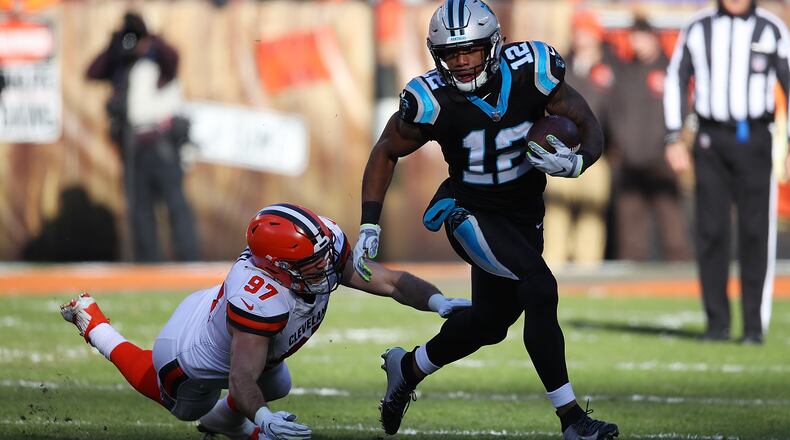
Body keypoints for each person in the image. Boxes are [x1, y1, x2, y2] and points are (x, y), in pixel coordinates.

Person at [353, 1, 618, 439]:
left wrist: (577, 163)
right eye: (451, 53)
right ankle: (573, 420)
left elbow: (587, 123)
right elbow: (386, 150)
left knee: (491, 324)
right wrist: (369, 222)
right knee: (539, 284)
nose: (460, 61)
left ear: (493, 44)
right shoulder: (432, 98)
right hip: (468, 212)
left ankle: (408, 367)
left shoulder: (533, 71)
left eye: (470, 50)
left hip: (523, 215)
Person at [59, 203, 471, 439]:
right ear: (276, 266)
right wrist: (263, 419)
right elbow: (240, 377)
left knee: (278, 382)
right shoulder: (262, 298)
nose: (326, 266)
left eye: (323, 254)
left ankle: (227, 425)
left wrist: (437, 300)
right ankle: (95, 325)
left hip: (223, 321)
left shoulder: (317, 247)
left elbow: (391, 282)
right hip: (189, 356)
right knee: (189, 409)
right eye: (311, 263)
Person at [664, 0, 790, 344]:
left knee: (754, 231)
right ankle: (716, 323)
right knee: (711, 231)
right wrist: (674, 135)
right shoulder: (698, 26)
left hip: (755, 138)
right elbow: (676, 75)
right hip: (710, 139)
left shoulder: (771, 28)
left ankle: (753, 326)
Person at [86, 12, 199, 262]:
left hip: (162, 142)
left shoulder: (161, 59)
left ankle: (190, 262)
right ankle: (149, 266)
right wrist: (114, 46)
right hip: (134, 145)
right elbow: (92, 72)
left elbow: (173, 56)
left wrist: (149, 38)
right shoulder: (123, 65)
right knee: (140, 210)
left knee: (175, 205)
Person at [609, 17, 690, 261]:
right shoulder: (624, 71)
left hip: (662, 159)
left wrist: (673, 143)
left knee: (673, 230)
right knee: (630, 236)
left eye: (641, 37)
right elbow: (614, 112)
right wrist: (620, 145)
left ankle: (680, 282)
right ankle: (630, 291)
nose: (637, 43)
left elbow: (682, 111)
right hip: (630, 160)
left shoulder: (670, 70)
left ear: (653, 38)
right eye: (633, 37)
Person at [543, 9, 613, 268]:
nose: (581, 37)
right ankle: (553, 267)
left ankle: (588, 270)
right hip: (560, 149)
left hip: (596, 153)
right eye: (578, 31)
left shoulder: (610, 67)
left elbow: (618, 111)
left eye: (586, 31)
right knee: (556, 215)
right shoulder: (560, 65)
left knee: (591, 219)